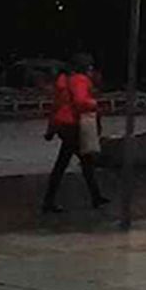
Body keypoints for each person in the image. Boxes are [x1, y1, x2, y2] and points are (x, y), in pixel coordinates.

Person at [42, 52, 108, 213]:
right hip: (75, 125)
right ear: (85, 68)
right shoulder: (80, 80)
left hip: (64, 126)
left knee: (76, 162)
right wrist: (94, 104)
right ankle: (50, 201)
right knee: (77, 162)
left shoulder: (63, 82)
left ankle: (96, 196)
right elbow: (81, 102)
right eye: (90, 67)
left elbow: (55, 108)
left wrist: (51, 129)